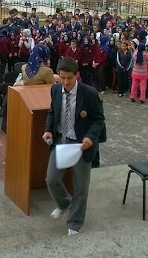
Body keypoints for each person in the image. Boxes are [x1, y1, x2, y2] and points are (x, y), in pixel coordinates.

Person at [42, 58, 106, 235]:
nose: (65, 82)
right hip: (61, 142)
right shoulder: (55, 90)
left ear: (76, 76)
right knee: (51, 179)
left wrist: (90, 137)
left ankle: (75, 222)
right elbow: (52, 112)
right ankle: (64, 203)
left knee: (80, 187)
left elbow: (99, 119)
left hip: (81, 145)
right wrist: (48, 130)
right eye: (62, 78)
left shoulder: (89, 93)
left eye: (69, 78)